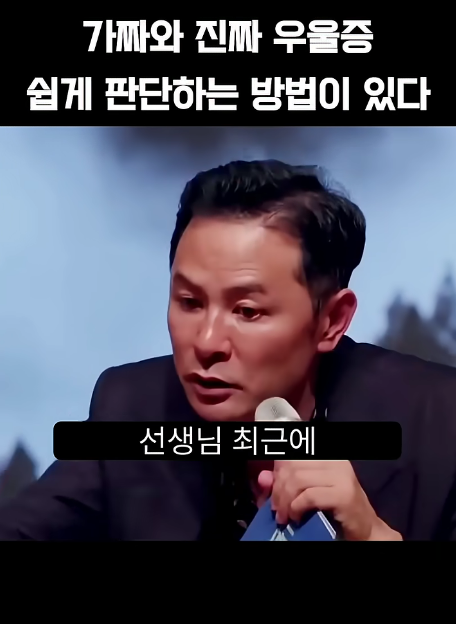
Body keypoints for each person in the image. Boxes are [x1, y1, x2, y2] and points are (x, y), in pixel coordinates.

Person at [0, 159, 455, 541]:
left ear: (331, 320)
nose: (207, 343)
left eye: (247, 311)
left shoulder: (440, 424)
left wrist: (373, 535)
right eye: (190, 303)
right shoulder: (131, 406)